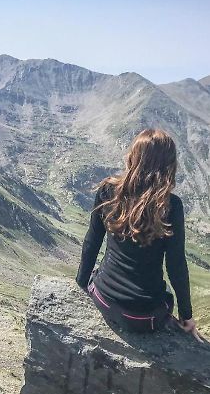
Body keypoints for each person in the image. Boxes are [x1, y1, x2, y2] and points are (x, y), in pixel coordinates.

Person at [76, 128, 202, 341]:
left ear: (133, 157)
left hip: (104, 299)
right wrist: (186, 317)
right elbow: (176, 265)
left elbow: (92, 241)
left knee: (101, 272)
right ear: (168, 165)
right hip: (145, 317)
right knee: (165, 297)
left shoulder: (107, 190)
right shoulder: (170, 206)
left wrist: (81, 284)